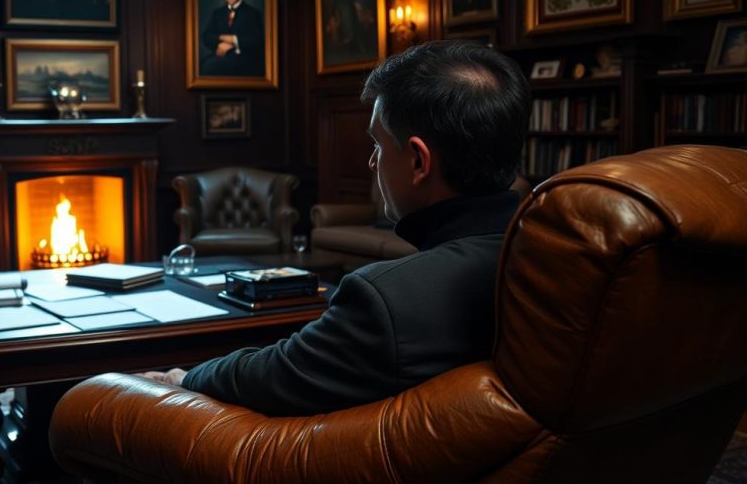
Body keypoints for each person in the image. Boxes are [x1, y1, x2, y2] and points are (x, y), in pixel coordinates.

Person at [141, 40, 531, 416]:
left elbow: (273, 374)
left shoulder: (388, 299)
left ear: (418, 161)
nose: (372, 163)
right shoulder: (543, 265)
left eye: (378, 144)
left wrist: (184, 378)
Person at [199, 0, 264, 77]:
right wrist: (221, 41)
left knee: (210, 67)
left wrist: (234, 40)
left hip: (245, 60)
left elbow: (258, 41)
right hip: (222, 56)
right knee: (201, 66)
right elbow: (206, 36)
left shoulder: (253, 13)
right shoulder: (218, 13)